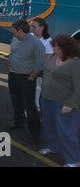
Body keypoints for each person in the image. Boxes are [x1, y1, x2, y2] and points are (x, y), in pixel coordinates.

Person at [39, 35, 80, 167]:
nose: (52, 49)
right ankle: (53, 147)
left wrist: (70, 104)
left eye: (55, 47)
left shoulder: (76, 64)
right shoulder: (54, 58)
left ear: (64, 48)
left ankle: (73, 160)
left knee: (67, 132)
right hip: (47, 99)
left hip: (63, 103)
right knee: (49, 125)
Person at [7, 19, 45, 145]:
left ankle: (35, 134)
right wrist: (10, 70)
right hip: (13, 75)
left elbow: (40, 64)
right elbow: (12, 54)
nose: (12, 32)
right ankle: (18, 122)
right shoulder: (14, 40)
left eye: (14, 30)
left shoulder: (36, 44)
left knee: (29, 106)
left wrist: (31, 78)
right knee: (15, 100)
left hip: (26, 78)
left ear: (20, 31)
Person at [30, 18, 53, 111]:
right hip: (29, 67)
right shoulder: (30, 36)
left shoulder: (48, 41)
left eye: (34, 26)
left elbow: (48, 58)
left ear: (42, 27)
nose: (32, 28)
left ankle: (37, 108)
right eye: (31, 26)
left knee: (37, 89)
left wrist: (37, 69)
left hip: (39, 70)